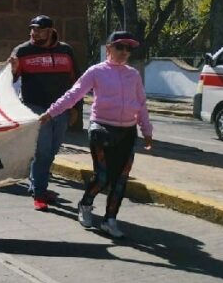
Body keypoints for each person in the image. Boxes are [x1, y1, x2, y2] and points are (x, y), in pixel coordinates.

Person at [40, 31, 153, 238]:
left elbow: (141, 105)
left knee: (120, 179)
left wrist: (146, 130)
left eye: (129, 48)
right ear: (108, 48)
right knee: (102, 176)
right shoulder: (96, 72)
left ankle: (110, 219)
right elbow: (74, 94)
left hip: (127, 132)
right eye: (120, 47)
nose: (125, 52)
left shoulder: (133, 75)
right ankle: (85, 204)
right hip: (101, 128)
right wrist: (51, 112)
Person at [9, 14, 77, 211]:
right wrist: (12, 69)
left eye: (38, 29)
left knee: (52, 151)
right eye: (32, 29)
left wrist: (75, 108)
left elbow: (76, 82)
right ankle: (40, 193)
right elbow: (9, 80)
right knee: (42, 151)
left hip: (62, 108)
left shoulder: (66, 50)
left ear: (50, 31)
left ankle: (36, 184)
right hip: (35, 108)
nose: (33, 32)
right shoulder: (22, 51)